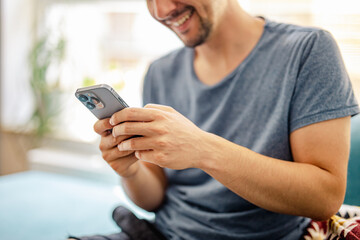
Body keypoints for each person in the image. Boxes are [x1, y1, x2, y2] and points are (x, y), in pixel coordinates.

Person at [69, 0, 360, 239]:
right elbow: (153, 198)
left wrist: (202, 149)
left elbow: (324, 198)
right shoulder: (161, 72)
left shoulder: (308, 50)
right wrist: (129, 170)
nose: (160, 10)